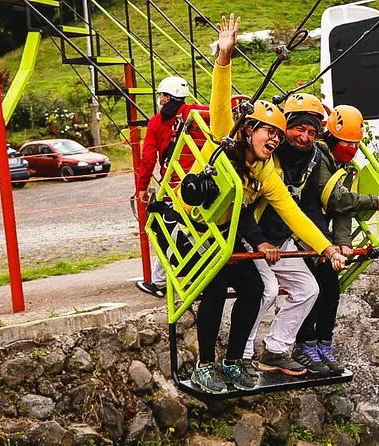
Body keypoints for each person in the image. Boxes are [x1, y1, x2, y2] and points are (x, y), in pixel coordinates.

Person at [164, 14, 347, 394]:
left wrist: (327, 248)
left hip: (225, 237)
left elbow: (292, 212)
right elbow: (219, 107)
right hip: (193, 232)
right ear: (248, 130)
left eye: (279, 135)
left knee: (254, 287)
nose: (275, 140)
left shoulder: (264, 169)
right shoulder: (224, 144)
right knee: (215, 286)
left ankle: (233, 361)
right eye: (269, 132)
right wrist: (224, 58)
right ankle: (204, 365)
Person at [239, 93, 335, 377]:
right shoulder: (267, 156)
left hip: (281, 239)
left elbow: (306, 207)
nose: (304, 137)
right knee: (266, 290)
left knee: (309, 289)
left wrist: (326, 245)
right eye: (298, 129)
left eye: (311, 132)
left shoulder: (312, 159)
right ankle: (243, 353)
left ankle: (276, 349)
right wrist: (259, 241)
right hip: (253, 236)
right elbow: (243, 206)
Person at [293, 104, 379, 374]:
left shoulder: (341, 164)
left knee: (331, 289)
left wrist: (343, 242)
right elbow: (334, 198)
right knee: (314, 288)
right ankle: (305, 343)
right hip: (304, 230)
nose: (352, 149)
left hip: (322, 235)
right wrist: (371, 201)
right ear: (333, 138)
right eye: (347, 143)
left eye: (356, 144)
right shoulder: (319, 158)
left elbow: (341, 209)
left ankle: (324, 343)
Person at [135, 75, 208, 298]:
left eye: (161, 96)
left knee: (163, 230)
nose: (160, 100)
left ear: (167, 97)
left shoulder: (156, 122)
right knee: (197, 230)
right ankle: (172, 278)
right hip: (201, 186)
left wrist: (142, 186)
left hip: (173, 186)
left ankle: (160, 281)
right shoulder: (197, 113)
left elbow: (148, 158)